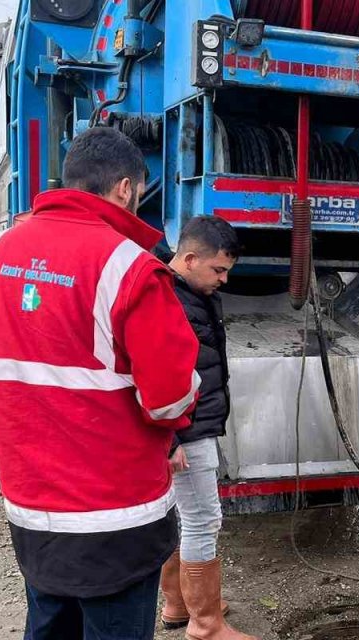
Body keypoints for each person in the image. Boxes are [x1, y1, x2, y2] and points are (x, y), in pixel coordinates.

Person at [0, 126, 200, 639]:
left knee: (48, 624)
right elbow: (168, 400)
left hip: (32, 509)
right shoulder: (132, 269)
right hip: (116, 519)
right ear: (125, 189)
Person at [157, 216, 257, 640]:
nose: (224, 279)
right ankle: (206, 624)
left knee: (180, 515)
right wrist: (172, 438)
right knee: (202, 518)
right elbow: (152, 371)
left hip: (189, 424)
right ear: (190, 258)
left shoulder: (184, 291)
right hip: (187, 428)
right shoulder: (168, 300)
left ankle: (180, 604)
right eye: (218, 270)